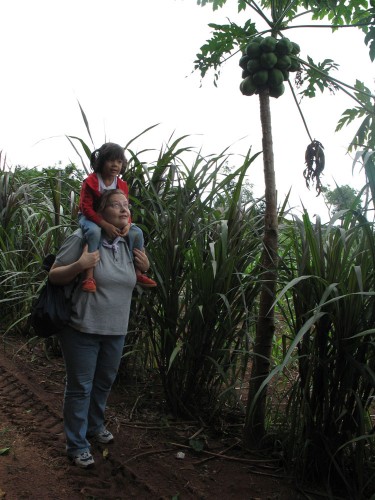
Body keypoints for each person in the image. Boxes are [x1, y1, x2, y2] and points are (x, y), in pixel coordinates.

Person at [49, 189, 150, 468]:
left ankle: (94, 426)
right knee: (81, 387)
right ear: (100, 212)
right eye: (115, 205)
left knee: (104, 383)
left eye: (126, 205)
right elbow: (54, 275)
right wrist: (81, 265)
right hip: (81, 327)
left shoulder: (130, 242)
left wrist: (145, 266)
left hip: (116, 330)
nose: (123, 209)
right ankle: (77, 443)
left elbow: (134, 279)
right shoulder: (83, 238)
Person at [78, 141, 156, 292]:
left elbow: (124, 207)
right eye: (111, 160)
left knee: (137, 232)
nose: (115, 165)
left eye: (119, 161)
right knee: (94, 232)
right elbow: (86, 208)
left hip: (111, 218)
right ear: (101, 161)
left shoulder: (121, 184)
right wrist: (104, 225)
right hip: (89, 217)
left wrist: (127, 223)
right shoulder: (91, 181)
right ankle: (89, 276)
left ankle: (139, 273)